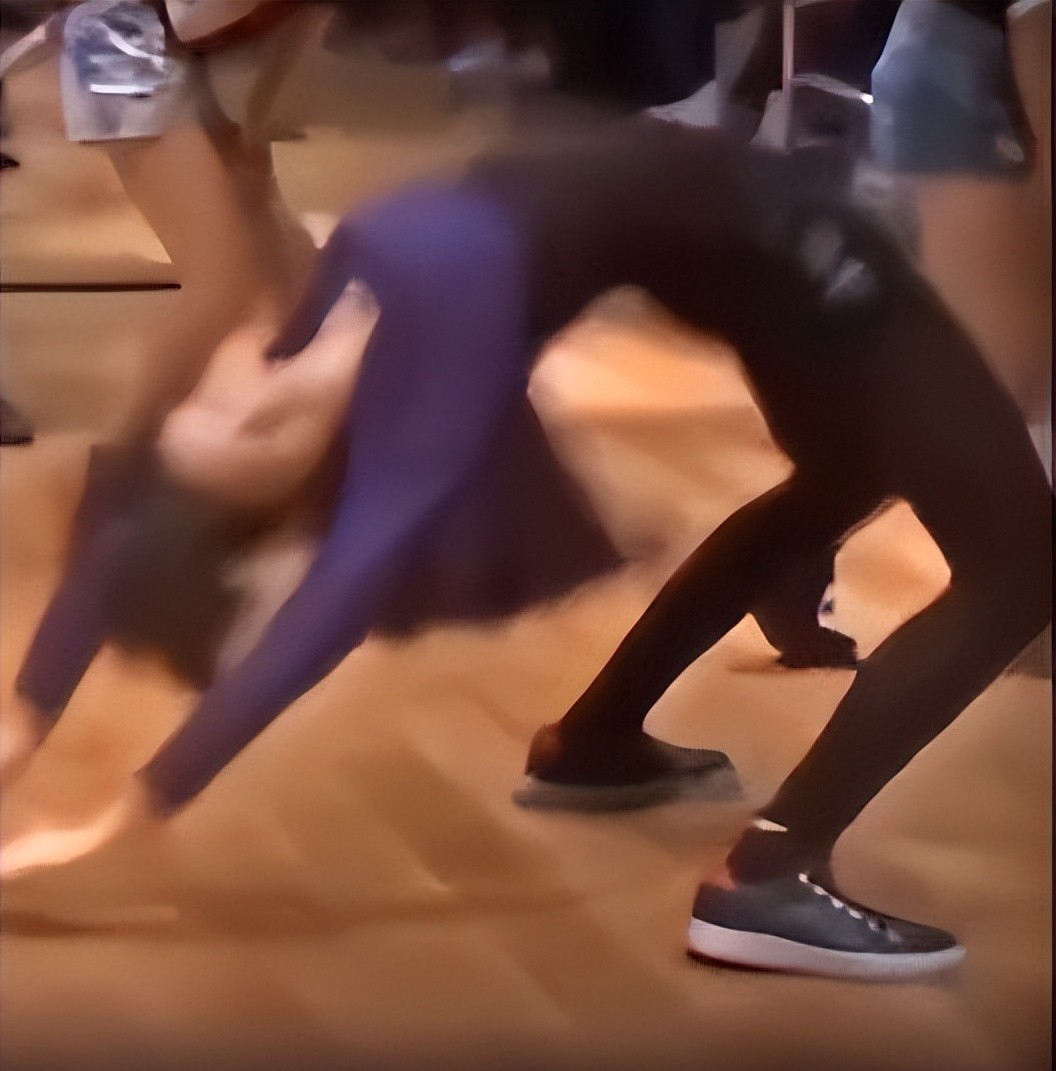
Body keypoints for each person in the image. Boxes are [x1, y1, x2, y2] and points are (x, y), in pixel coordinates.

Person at [5, 120, 1048, 984]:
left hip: (746, 251)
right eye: (243, 431)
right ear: (285, 484)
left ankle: (597, 741)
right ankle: (772, 877)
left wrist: (22, 718)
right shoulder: (430, 369)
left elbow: (133, 515)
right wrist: (133, 811)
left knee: (842, 475)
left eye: (213, 394)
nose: (241, 385)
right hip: (792, 250)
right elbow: (337, 597)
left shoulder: (322, 315)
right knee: (1020, 569)